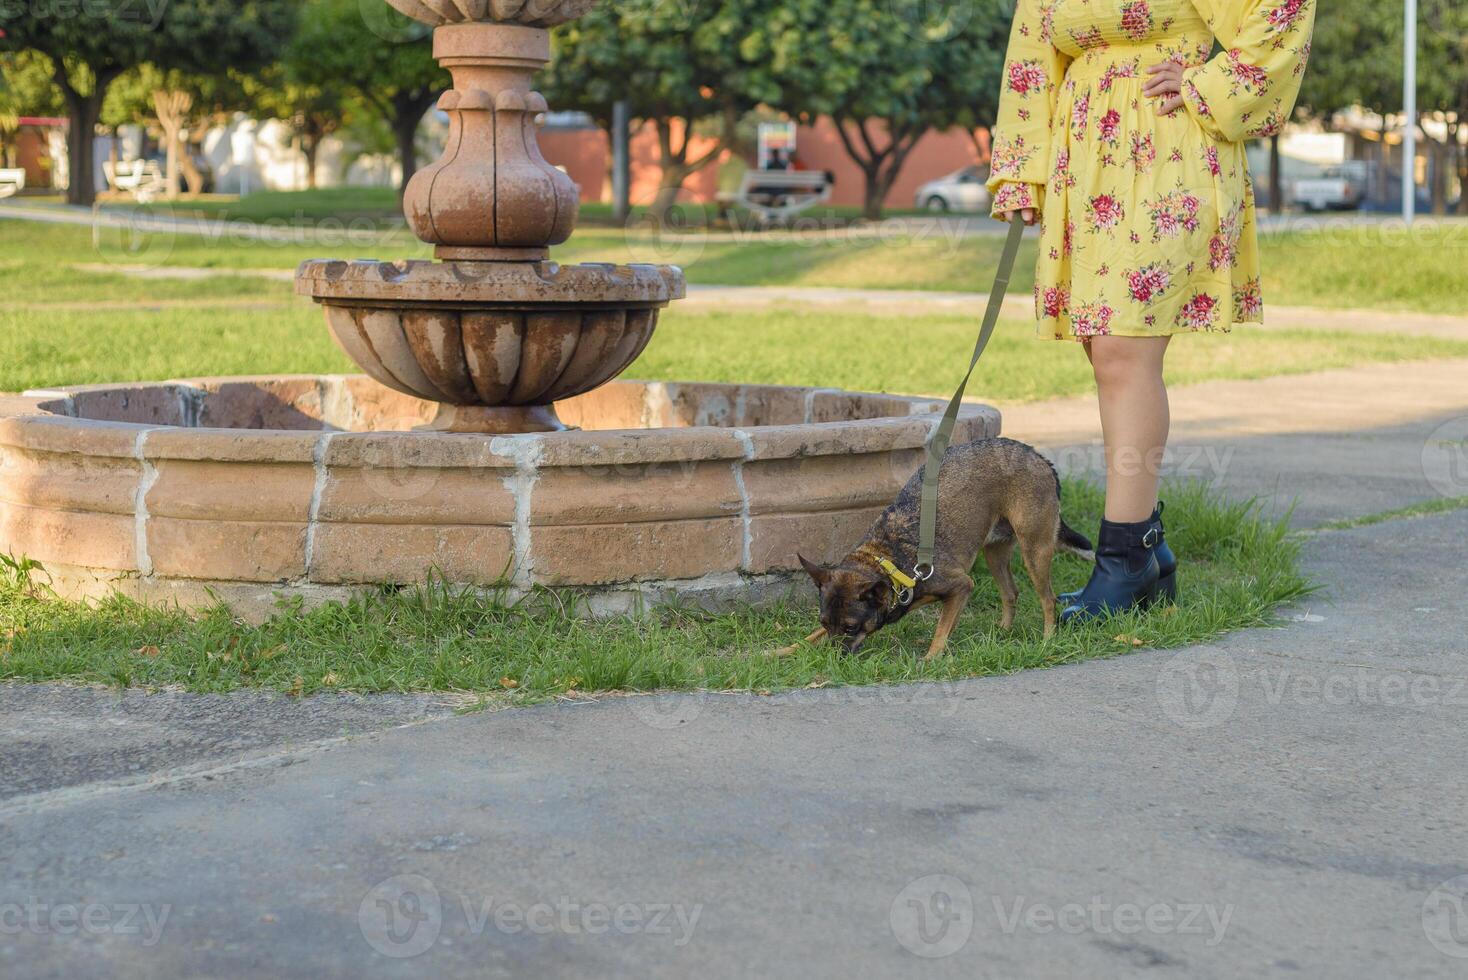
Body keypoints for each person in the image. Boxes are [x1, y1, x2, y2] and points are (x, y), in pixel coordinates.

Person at [986, 0, 1314, 622]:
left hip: (1168, 146)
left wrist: (1208, 84)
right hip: (1083, 156)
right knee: (1104, 349)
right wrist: (1021, 171)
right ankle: (1147, 549)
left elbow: (1282, 10)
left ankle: (1123, 557)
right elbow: (1032, 50)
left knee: (1121, 349)